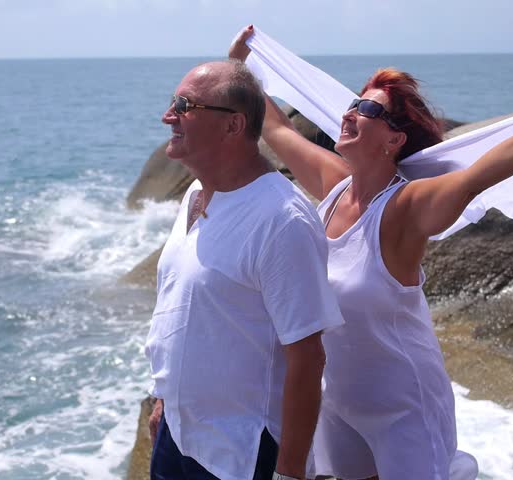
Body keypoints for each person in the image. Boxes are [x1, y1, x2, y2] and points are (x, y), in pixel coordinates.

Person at [230, 25, 513, 480]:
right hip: (339, 404)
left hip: (405, 409)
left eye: (368, 108)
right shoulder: (333, 188)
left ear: (394, 140)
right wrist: (240, 68)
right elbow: (274, 127)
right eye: (354, 102)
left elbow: (477, 177)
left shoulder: (404, 209)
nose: (350, 113)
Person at [144, 59, 345, 480]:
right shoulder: (197, 193)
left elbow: (308, 358)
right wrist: (164, 399)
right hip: (179, 436)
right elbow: (183, 311)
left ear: (233, 126)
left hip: (242, 453)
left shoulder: (281, 220)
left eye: (184, 105)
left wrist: (289, 473)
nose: (168, 116)